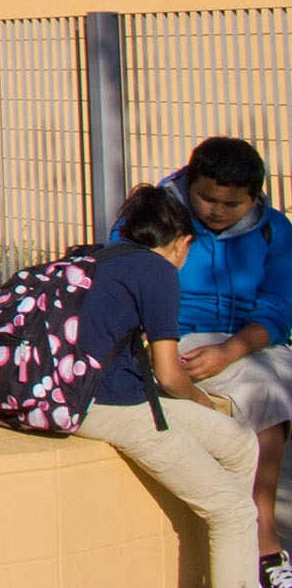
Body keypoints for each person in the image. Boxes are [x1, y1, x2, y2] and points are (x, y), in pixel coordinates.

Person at [83, 184, 262, 588]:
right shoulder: (158, 271)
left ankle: (225, 565)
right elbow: (170, 375)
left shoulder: (94, 258)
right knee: (233, 512)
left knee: (239, 443)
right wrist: (204, 402)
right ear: (182, 244)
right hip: (112, 409)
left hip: (65, 395)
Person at [155, 137, 292, 582]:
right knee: (266, 392)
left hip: (242, 343)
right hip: (170, 337)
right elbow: (136, 284)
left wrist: (230, 351)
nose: (215, 210)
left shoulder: (274, 229)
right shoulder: (157, 216)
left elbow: (276, 307)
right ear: (188, 183)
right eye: (206, 197)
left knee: (268, 383)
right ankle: (266, 545)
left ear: (255, 198)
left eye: (232, 204)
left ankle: (259, 533)